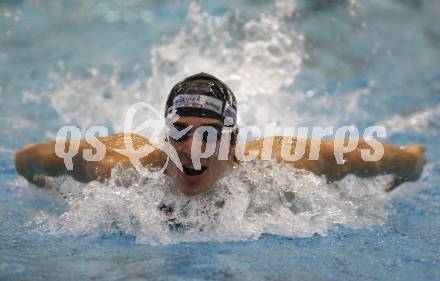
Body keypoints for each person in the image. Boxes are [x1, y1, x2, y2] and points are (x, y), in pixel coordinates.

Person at [15, 73, 427, 196]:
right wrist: (46, 186)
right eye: (179, 132)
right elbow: (27, 158)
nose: (191, 151)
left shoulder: (281, 165)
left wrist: (408, 166)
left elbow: (399, 156)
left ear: (232, 143)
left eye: (210, 137)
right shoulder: (121, 166)